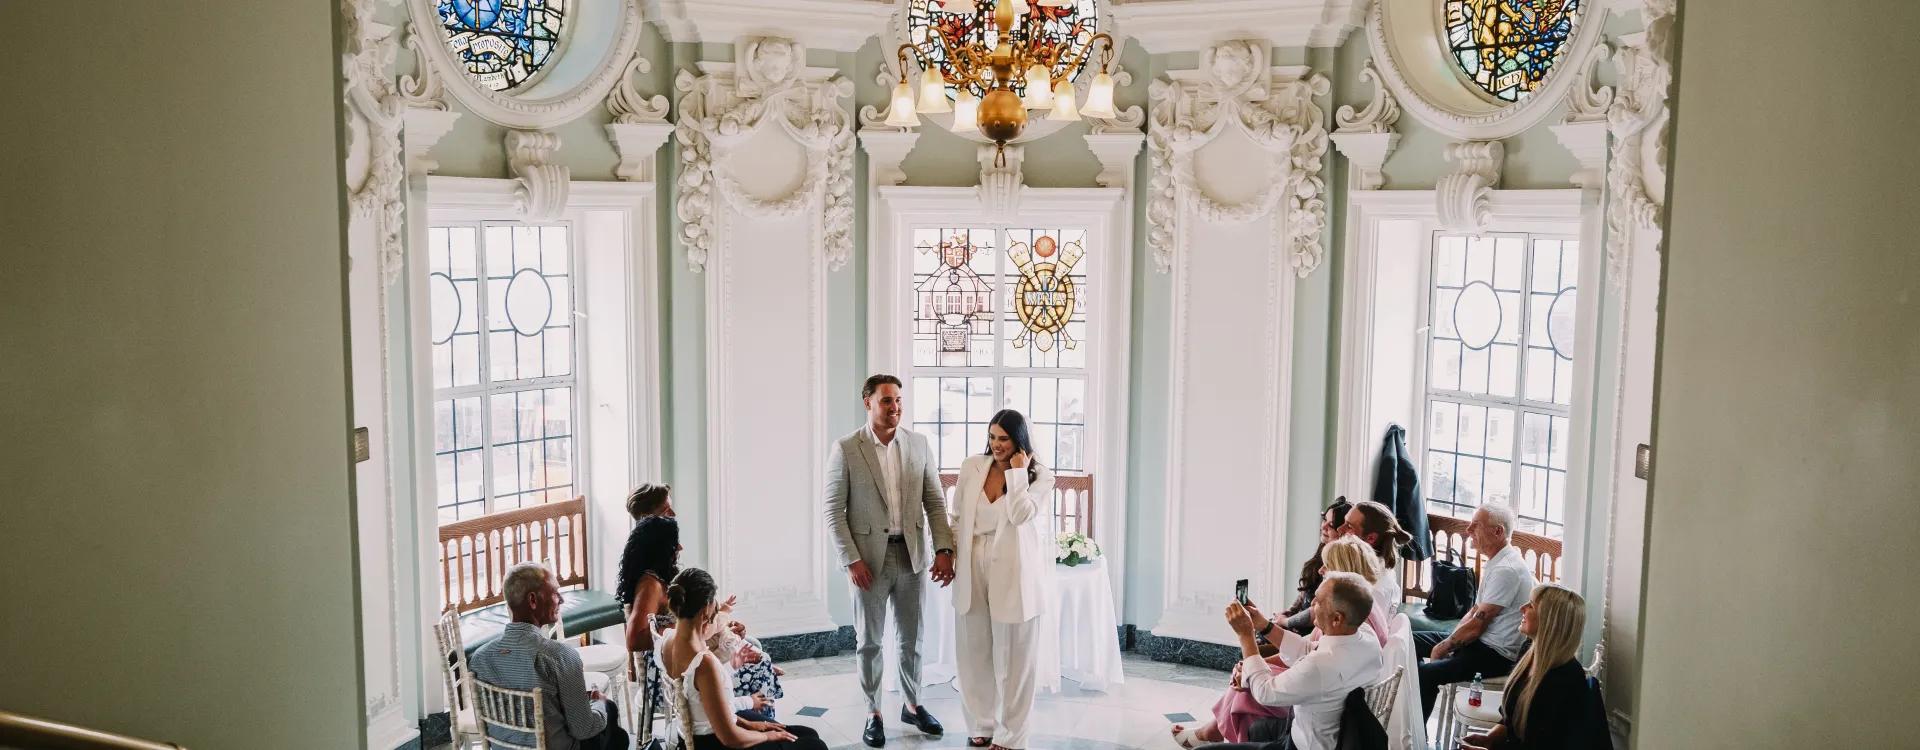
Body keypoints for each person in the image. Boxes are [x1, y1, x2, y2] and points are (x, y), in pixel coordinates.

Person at [824, 374, 958, 747]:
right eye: (886, 401)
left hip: (912, 556)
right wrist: (851, 560)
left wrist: (944, 550)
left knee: (913, 638)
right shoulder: (847, 448)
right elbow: (833, 511)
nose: (895, 407)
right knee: (869, 641)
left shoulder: (918, 445)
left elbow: (934, 501)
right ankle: (874, 712)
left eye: (898, 400)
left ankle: (912, 705)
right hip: (867, 561)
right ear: (867, 402)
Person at [1172, 538, 1391, 747]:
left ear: (1337, 618)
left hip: (1301, 744)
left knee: (1245, 695)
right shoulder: (1362, 634)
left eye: (1318, 601)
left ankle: (1211, 734)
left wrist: (1246, 636)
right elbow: (1308, 648)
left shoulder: (1322, 665)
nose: (1312, 602)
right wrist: (1264, 626)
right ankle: (1215, 733)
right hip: (1318, 732)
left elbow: (1266, 692)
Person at [950, 409, 1056, 750]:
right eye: (992, 437)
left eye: (1004, 439)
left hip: (1014, 570)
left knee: (1015, 658)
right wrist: (950, 557)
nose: (996, 445)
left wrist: (1017, 474)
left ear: (1019, 441)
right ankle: (981, 723)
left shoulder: (1041, 476)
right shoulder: (971, 467)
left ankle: (1013, 734)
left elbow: (1020, 514)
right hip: (971, 564)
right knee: (973, 651)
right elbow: (957, 517)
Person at [658, 568, 829, 750]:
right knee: (814, 743)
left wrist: (749, 725)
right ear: (705, 611)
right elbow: (730, 738)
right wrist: (767, 737)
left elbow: (706, 709)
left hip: (699, 734)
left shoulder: (666, 641)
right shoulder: (703, 663)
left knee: (806, 733)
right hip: (715, 743)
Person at [469, 562, 630, 750]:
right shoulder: (560, 656)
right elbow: (584, 729)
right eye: (555, 593)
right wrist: (600, 703)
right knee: (613, 723)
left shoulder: (480, 659)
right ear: (533, 600)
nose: (561, 600)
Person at [1413, 504, 1536, 718]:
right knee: (1409, 641)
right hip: (1479, 643)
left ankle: (1416, 738)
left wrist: (1442, 648)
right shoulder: (1498, 562)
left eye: (1475, 525)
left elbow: (1478, 624)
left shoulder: (1507, 570)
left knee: (1425, 674)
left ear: (1498, 532)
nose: (1468, 530)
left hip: (1495, 654)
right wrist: (1448, 642)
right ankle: (1408, 717)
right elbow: (1474, 612)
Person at [1460, 585, 1592, 750]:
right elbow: (1512, 720)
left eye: (1531, 605)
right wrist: (1490, 738)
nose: (1522, 608)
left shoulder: (1565, 678)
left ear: (1550, 620)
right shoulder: (1528, 650)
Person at [618, 485, 680, 655]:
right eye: (666, 510)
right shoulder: (650, 584)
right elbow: (635, 640)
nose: (673, 514)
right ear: (648, 518)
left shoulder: (659, 568)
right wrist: (691, 627)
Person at [1282, 499, 1352, 635]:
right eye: (1324, 519)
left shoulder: (1343, 564)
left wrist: (1285, 622)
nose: (1323, 526)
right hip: (1296, 624)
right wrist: (1288, 613)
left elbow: (1316, 611)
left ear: (1343, 530)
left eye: (1331, 525)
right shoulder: (1319, 556)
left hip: (1313, 631)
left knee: (1260, 636)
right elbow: (1304, 594)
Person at [1340, 500, 1414, 606]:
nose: (1339, 529)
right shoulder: (1360, 570)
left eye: (1349, 526)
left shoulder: (1373, 591)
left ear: (1371, 538)